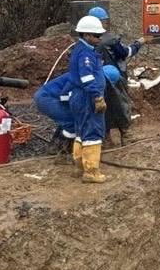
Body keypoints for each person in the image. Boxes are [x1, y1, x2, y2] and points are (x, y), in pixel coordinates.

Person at [67, 14, 110, 184]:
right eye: (97, 36)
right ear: (86, 35)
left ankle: (79, 165)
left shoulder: (80, 50)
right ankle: (91, 171)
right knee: (92, 131)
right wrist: (97, 97)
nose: (99, 39)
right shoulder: (85, 54)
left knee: (81, 131)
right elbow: (87, 79)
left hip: (79, 97)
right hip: (87, 98)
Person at [33, 67, 78, 161]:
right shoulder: (79, 78)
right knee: (70, 122)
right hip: (47, 99)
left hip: (45, 96)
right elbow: (65, 96)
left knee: (68, 118)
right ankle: (63, 152)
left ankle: (55, 146)